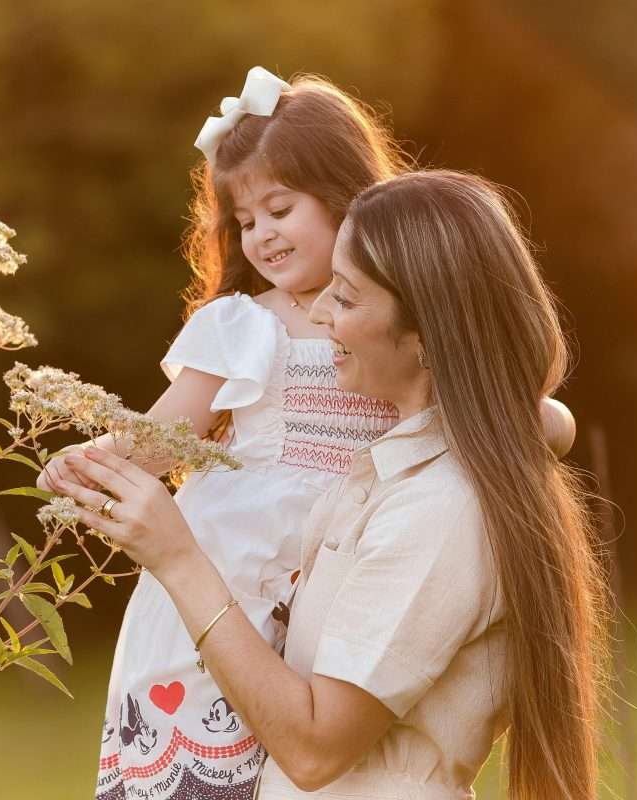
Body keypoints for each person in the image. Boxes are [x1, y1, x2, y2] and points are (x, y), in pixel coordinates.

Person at [54, 170, 609, 799]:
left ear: (426, 336)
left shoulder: (440, 508)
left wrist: (178, 557)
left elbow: (316, 748)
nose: (316, 314)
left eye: (343, 298)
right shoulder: (385, 473)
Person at [40, 66, 409, 799]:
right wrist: (90, 461)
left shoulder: (400, 319)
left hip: (345, 574)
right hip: (231, 578)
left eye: (281, 208)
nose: (263, 235)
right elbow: (160, 441)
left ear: (347, 195)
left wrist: (539, 422)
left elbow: (501, 409)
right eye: (245, 221)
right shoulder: (248, 324)